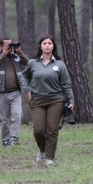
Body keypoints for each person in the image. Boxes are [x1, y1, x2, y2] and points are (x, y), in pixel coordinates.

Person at [22, 35, 74, 167]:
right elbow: (24, 76)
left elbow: (66, 84)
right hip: (37, 100)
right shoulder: (33, 63)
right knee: (39, 130)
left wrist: (71, 100)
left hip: (56, 100)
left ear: (53, 46)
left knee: (52, 130)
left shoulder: (60, 64)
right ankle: (42, 150)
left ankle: (49, 157)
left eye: (49, 43)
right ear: (40, 46)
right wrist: (28, 90)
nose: (47, 45)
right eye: (44, 43)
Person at [0, 38, 29, 147]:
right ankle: (6, 140)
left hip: (15, 92)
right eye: (7, 45)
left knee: (17, 115)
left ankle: (14, 139)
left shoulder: (16, 56)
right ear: (1, 47)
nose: (9, 47)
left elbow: (28, 63)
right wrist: (3, 55)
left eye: (10, 44)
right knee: (3, 119)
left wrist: (19, 51)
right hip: (1, 92)